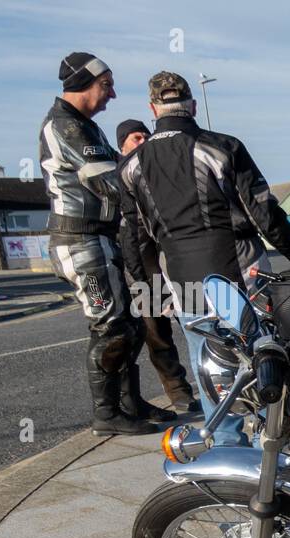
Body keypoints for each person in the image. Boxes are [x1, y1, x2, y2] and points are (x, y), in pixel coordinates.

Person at [120, 71, 290, 445]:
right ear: (192, 105)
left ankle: (225, 443)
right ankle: (273, 441)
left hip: (183, 279)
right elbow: (265, 213)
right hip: (240, 271)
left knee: (207, 362)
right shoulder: (223, 147)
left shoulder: (130, 165)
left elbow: (134, 239)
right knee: (264, 352)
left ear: (152, 109)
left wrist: (151, 290)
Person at [38, 52, 157, 435]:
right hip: (80, 241)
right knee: (111, 328)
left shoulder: (87, 127)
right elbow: (114, 183)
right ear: (82, 85)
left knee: (131, 326)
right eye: (106, 85)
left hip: (97, 239)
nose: (113, 94)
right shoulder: (66, 126)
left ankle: (128, 404)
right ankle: (107, 415)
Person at [115, 118, 196, 415]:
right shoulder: (119, 175)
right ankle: (178, 392)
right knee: (156, 334)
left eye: (146, 136)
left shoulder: (157, 173)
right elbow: (128, 233)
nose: (143, 142)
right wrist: (138, 279)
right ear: (121, 145)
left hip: (176, 264)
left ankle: (216, 385)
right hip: (142, 268)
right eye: (136, 138)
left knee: (195, 325)